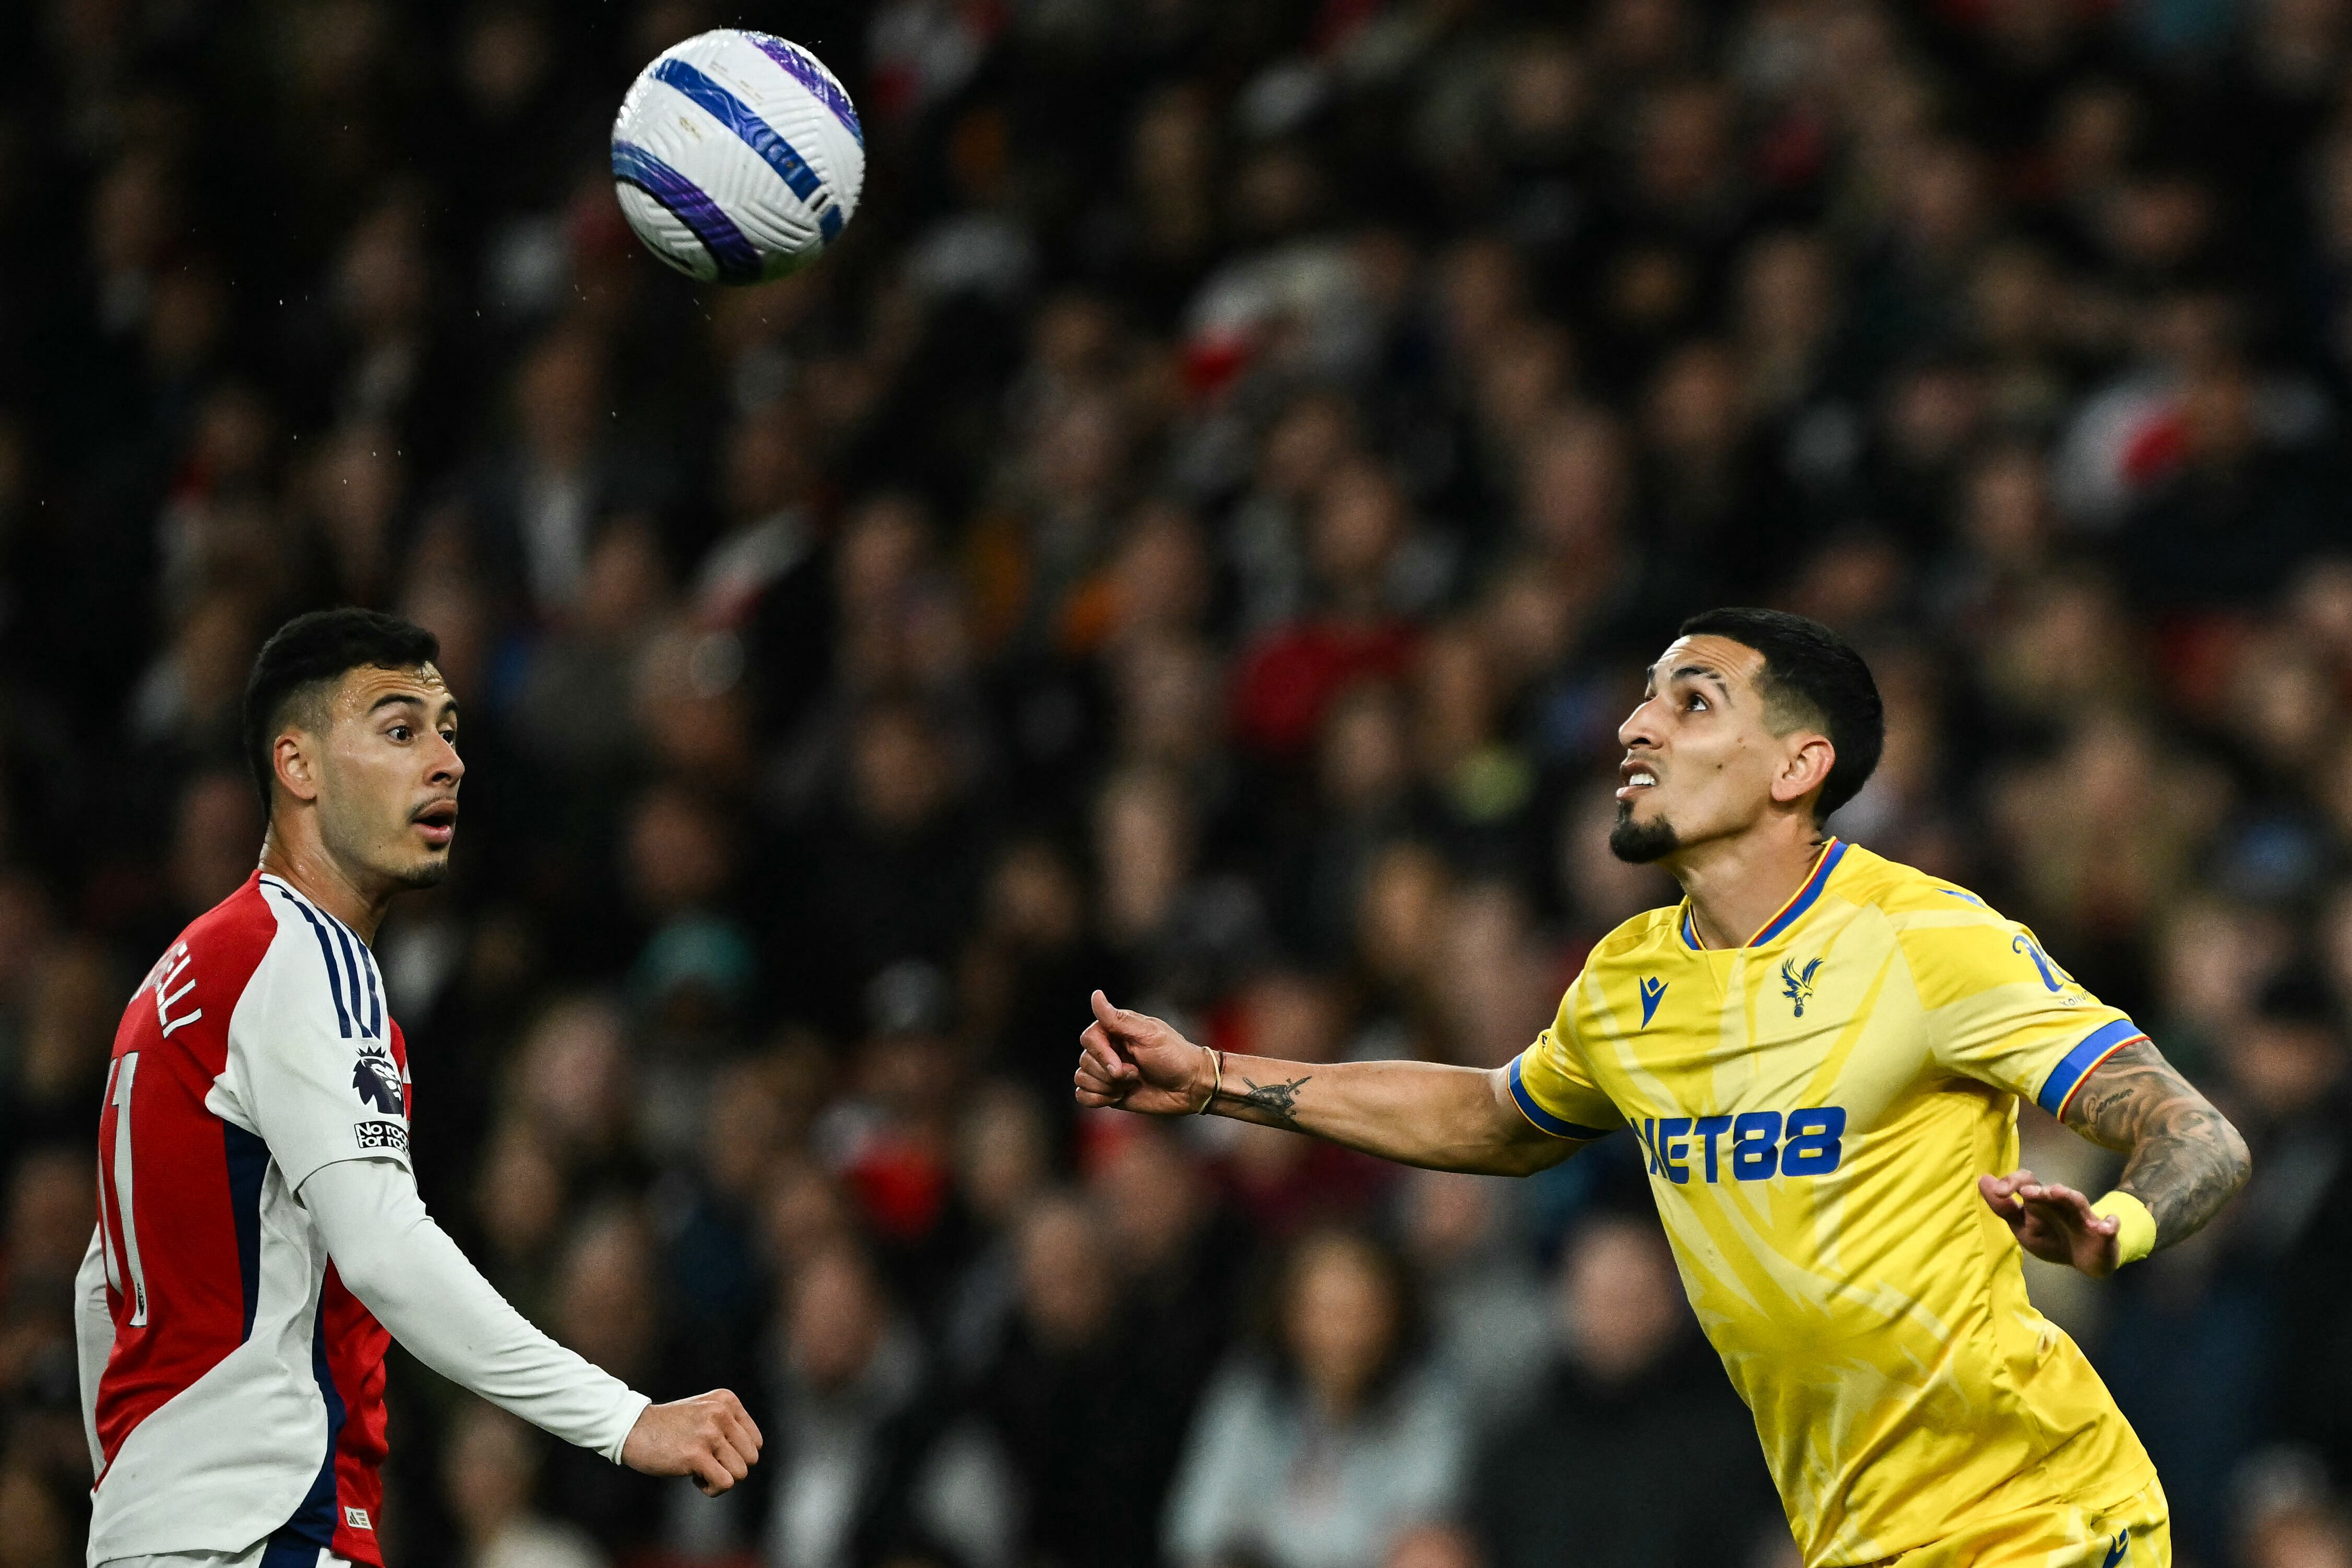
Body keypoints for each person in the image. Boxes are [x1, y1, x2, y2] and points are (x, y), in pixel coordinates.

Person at [1076, 606, 2252, 1568]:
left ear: (1802, 763)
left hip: (2043, 1519)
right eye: (1645, 696)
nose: (1637, 724)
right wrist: (1220, 1077)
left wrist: (2117, 1225)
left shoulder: (1926, 939)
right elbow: (1495, 1115)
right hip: (1856, 1537)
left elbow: (2191, 1128)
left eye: (1693, 700)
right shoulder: (1625, 983)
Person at [74, 609, 762, 1568]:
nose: (446, 763)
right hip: (266, 1529)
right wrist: (624, 1418)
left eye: (446, 731)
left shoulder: (175, 981)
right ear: (298, 767)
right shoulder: (308, 958)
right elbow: (385, 1248)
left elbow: (102, 1292)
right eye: (399, 731)